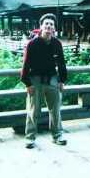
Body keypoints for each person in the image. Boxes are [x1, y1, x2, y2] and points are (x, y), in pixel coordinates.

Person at [21, 13, 67, 148]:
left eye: (51, 24)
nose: (48, 26)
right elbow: (26, 64)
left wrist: (62, 80)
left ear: (54, 28)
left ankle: (57, 135)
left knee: (56, 109)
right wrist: (27, 83)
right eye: (46, 24)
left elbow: (61, 63)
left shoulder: (57, 43)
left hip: (52, 79)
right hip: (35, 79)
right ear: (41, 26)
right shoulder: (32, 43)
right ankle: (30, 137)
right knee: (33, 110)